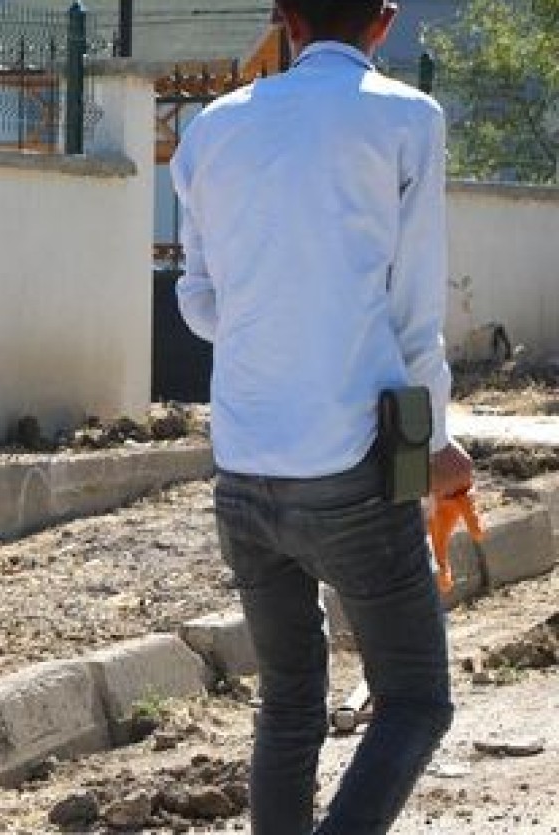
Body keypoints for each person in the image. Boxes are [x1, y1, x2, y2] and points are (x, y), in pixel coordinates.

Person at [171, 1, 476, 832]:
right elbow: (413, 315)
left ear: (281, 19)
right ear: (384, 22)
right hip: (353, 467)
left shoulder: (212, 130)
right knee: (416, 698)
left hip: (241, 471)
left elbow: (199, 300)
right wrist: (437, 446)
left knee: (290, 701)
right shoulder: (408, 118)